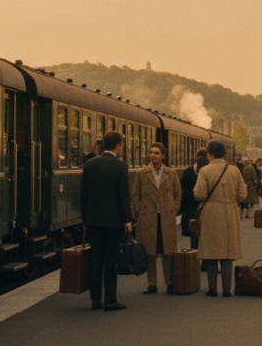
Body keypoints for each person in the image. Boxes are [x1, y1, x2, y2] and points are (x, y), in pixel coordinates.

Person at [80, 131, 132, 312]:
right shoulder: (120, 166)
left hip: (93, 220)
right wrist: (127, 220)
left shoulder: (90, 164)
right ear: (119, 145)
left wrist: (85, 218)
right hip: (113, 221)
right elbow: (123, 196)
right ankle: (110, 300)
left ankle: (95, 300)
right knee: (110, 260)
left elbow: (84, 194)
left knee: (95, 259)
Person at [194, 140, 246, 297]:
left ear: (209, 154)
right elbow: (242, 195)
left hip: (210, 212)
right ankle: (227, 289)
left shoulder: (204, 171)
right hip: (230, 211)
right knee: (227, 252)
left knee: (211, 252)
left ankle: (211, 289)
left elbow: (200, 195)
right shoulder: (234, 170)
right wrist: (230, 201)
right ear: (224, 154)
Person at [133, 143, 182, 294]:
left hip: (166, 216)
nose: (152, 155)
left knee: (168, 252)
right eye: (151, 152)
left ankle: (169, 283)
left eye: (156, 153)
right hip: (148, 217)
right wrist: (140, 209)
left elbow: (177, 193)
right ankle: (152, 283)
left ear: (163, 155)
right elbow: (135, 195)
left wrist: (174, 208)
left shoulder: (171, 173)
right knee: (150, 252)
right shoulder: (142, 173)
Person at [180, 148, 209, 256]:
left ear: (196, 157)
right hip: (206, 207)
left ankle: (194, 261)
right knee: (206, 235)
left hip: (191, 208)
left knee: (194, 233)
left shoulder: (188, 171)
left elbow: (182, 189)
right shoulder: (208, 171)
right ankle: (205, 261)